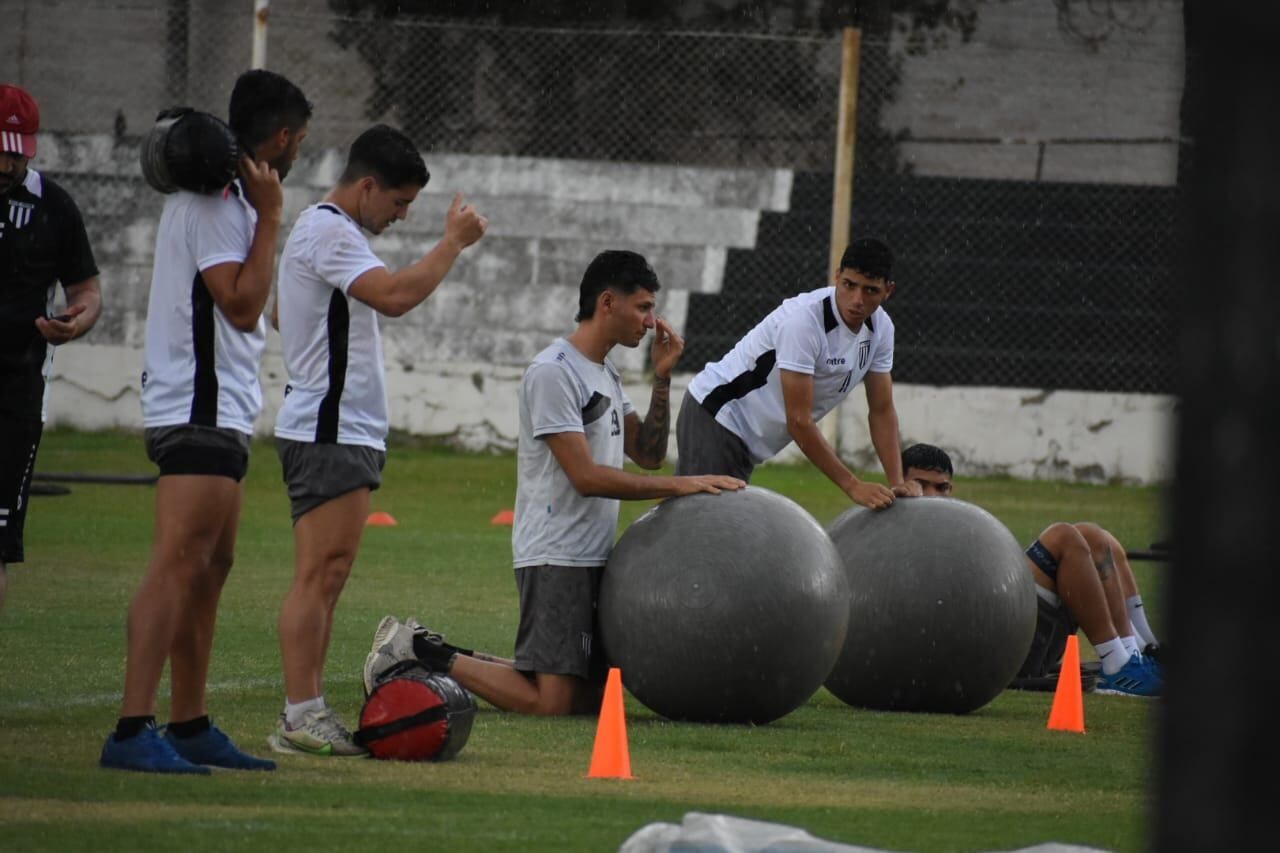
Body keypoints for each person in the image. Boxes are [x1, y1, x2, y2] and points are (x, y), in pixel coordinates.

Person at [362, 250, 745, 716]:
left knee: (592, 697)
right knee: (554, 703)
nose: (651, 322)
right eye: (643, 307)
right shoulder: (554, 372)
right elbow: (584, 477)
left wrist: (662, 379)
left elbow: (648, 454)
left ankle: (422, 647)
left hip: (593, 553)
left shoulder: (604, 371)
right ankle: (419, 654)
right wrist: (680, 486)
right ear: (608, 302)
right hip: (556, 554)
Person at [100, 69, 312, 774]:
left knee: (212, 565)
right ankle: (133, 727)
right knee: (177, 563)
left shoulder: (232, 203)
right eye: (299, 141)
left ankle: (189, 723)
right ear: (281, 138)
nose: (297, 153)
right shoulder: (222, 206)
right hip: (195, 404)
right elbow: (243, 305)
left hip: (218, 409)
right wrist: (274, 217)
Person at [266, 124, 488, 756]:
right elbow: (394, 297)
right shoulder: (330, 228)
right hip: (328, 429)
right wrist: (452, 244)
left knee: (329, 576)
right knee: (319, 574)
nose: (400, 216)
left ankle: (305, 710)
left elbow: (285, 313)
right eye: (397, 203)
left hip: (343, 428)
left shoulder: (333, 233)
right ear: (367, 187)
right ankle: (299, 714)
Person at [900, 442, 1164, 697]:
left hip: (1007, 627)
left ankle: (1142, 650)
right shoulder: (897, 528)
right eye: (921, 485)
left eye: (941, 487)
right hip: (987, 650)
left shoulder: (955, 522)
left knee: (1098, 538)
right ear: (902, 483)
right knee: (1063, 537)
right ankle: (1118, 664)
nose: (933, 495)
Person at [675, 238, 919, 509]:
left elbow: (882, 409)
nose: (857, 300)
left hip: (747, 438)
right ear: (837, 277)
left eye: (871, 290)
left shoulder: (882, 328)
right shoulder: (803, 324)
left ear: (889, 290)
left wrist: (897, 481)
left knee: (721, 534)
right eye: (850, 285)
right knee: (702, 529)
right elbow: (799, 421)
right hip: (718, 416)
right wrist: (853, 485)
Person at [0, 83, 103, 611]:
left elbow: (86, 291)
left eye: (17, 150)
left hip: (18, 390)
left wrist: (76, 320)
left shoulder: (54, 206)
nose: (8, 161)